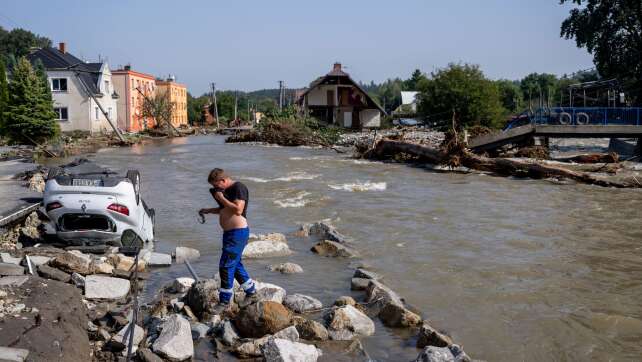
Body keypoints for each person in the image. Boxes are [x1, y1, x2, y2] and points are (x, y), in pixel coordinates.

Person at [199, 168, 257, 313]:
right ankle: (252, 293)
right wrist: (208, 210)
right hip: (230, 234)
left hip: (238, 233)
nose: (215, 189)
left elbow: (238, 210)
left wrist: (221, 198)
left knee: (225, 265)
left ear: (223, 181)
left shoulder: (239, 188)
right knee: (235, 265)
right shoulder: (225, 191)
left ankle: (224, 301)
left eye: (216, 185)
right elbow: (224, 209)